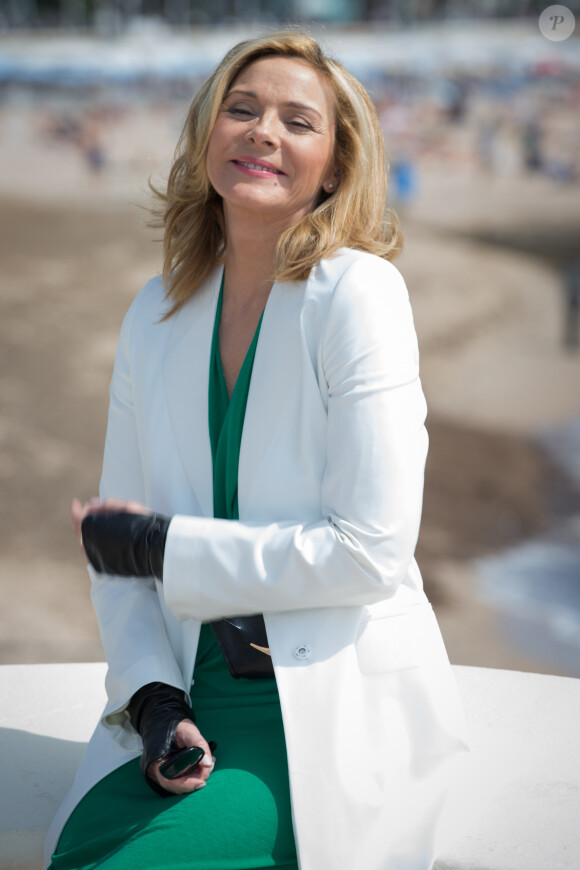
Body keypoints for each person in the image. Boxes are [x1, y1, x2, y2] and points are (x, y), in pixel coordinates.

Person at [44, 30, 468, 870]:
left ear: (336, 166)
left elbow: (370, 551)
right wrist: (153, 696)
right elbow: (117, 552)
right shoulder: (156, 312)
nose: (263, 131)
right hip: (184, 714)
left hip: (324, 713)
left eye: (297, 121)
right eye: (241, 109)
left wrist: (168, 546)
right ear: (208, 136)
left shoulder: (360, 295)